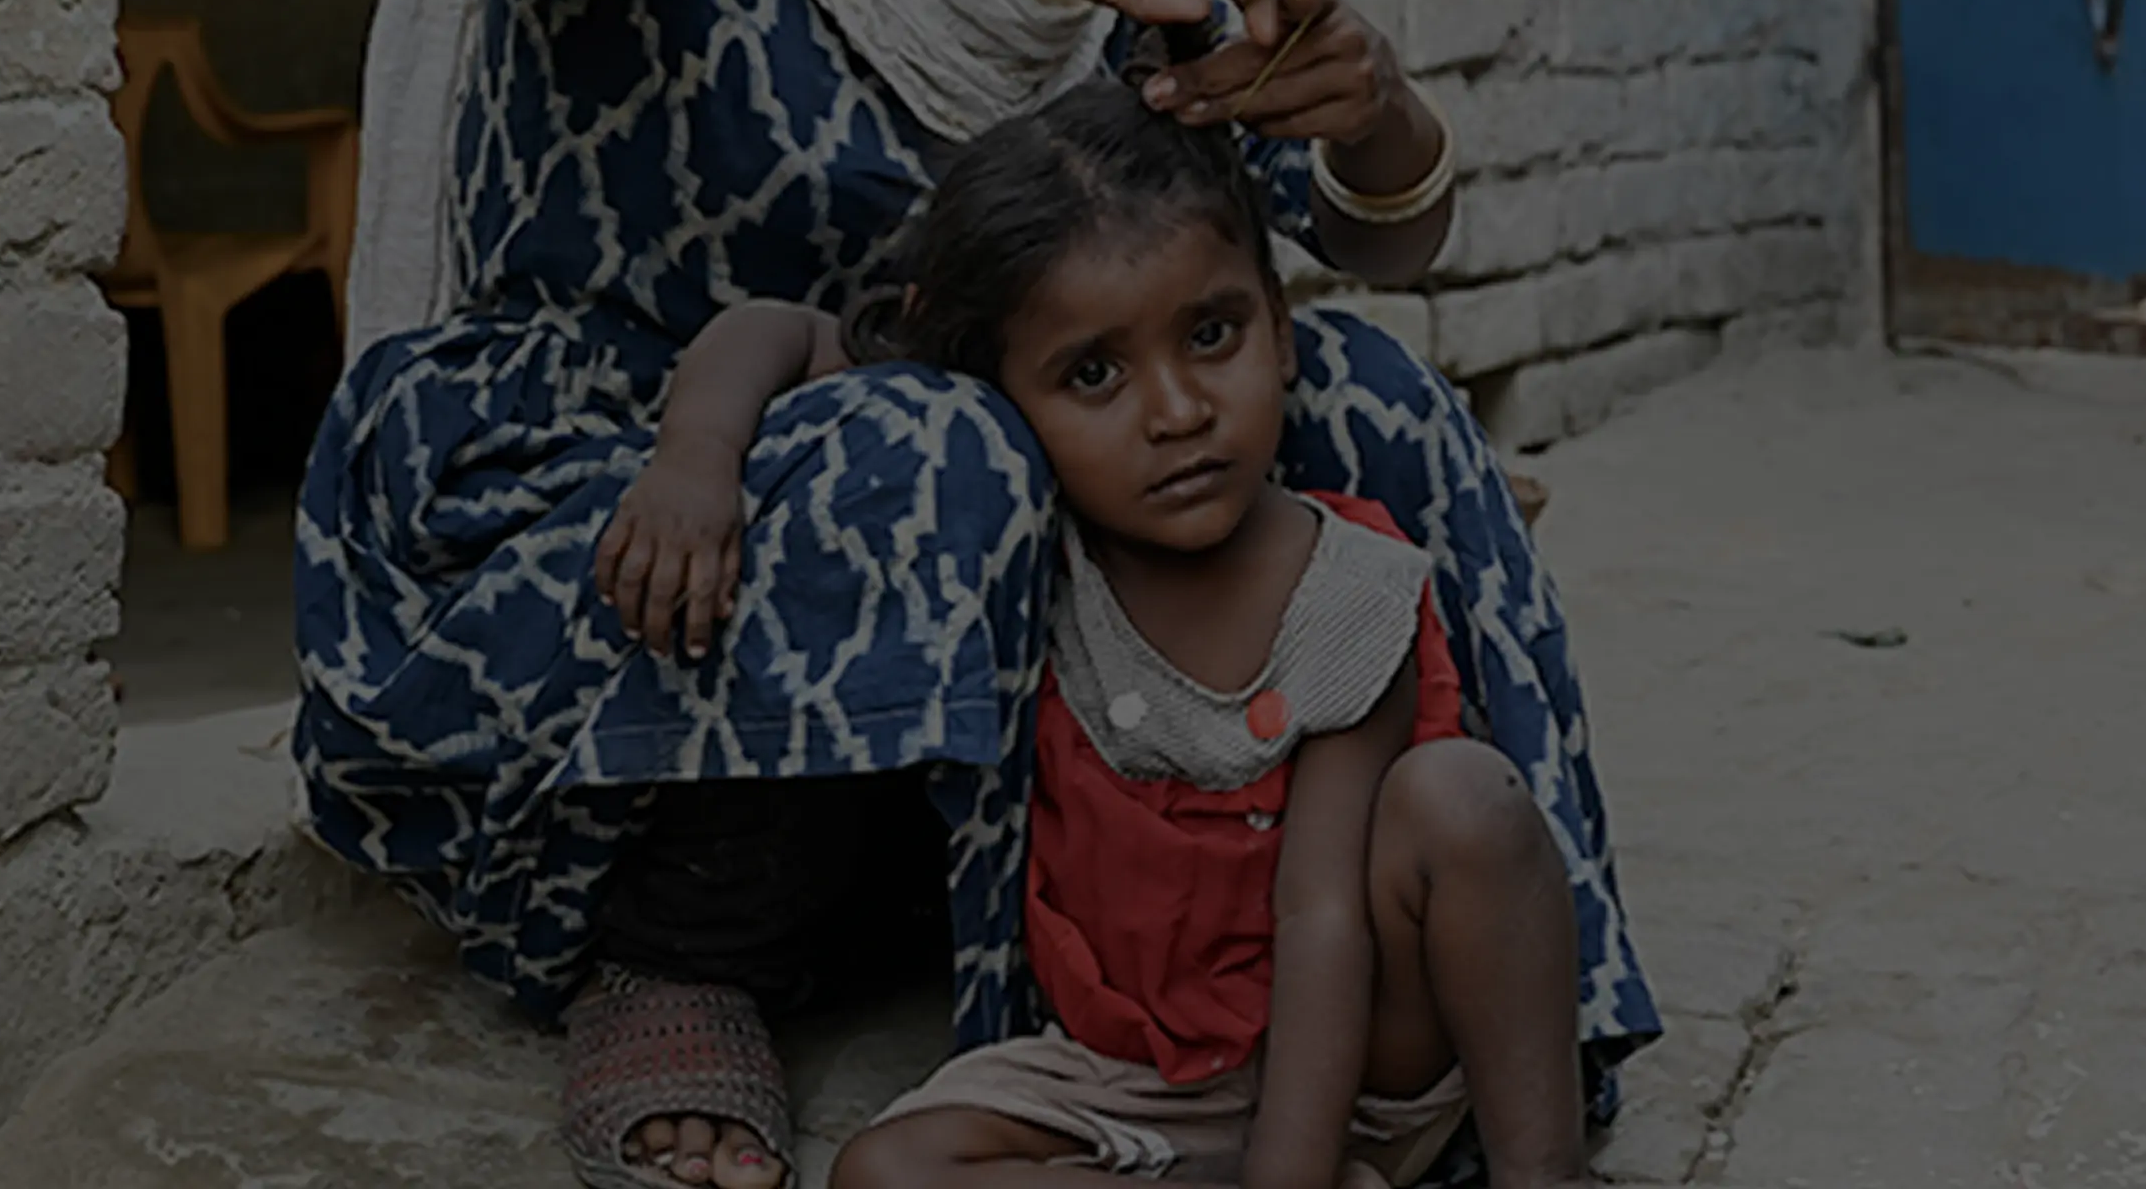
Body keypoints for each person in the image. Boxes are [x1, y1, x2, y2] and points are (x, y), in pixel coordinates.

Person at [291, 0, 1659, 1186]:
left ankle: (1503, 1030)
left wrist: (1371, 108)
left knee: (1367, 405)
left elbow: (1331, 235)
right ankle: (683, 954)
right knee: (939, 443)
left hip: (984, 506)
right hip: (636, 521)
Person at [611, 79, 1602, 1189]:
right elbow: (779, 331)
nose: (1176, 410)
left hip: (1354, 1059)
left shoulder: (1347, 586)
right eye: (1094, 373)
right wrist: (694, 457)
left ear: (1280, 330)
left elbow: (1321, 916)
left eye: (1211, 333)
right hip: (1129, 1073)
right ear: (996, 400)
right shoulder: (1031, 546)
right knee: (884, 1173)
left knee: (1461, 795)